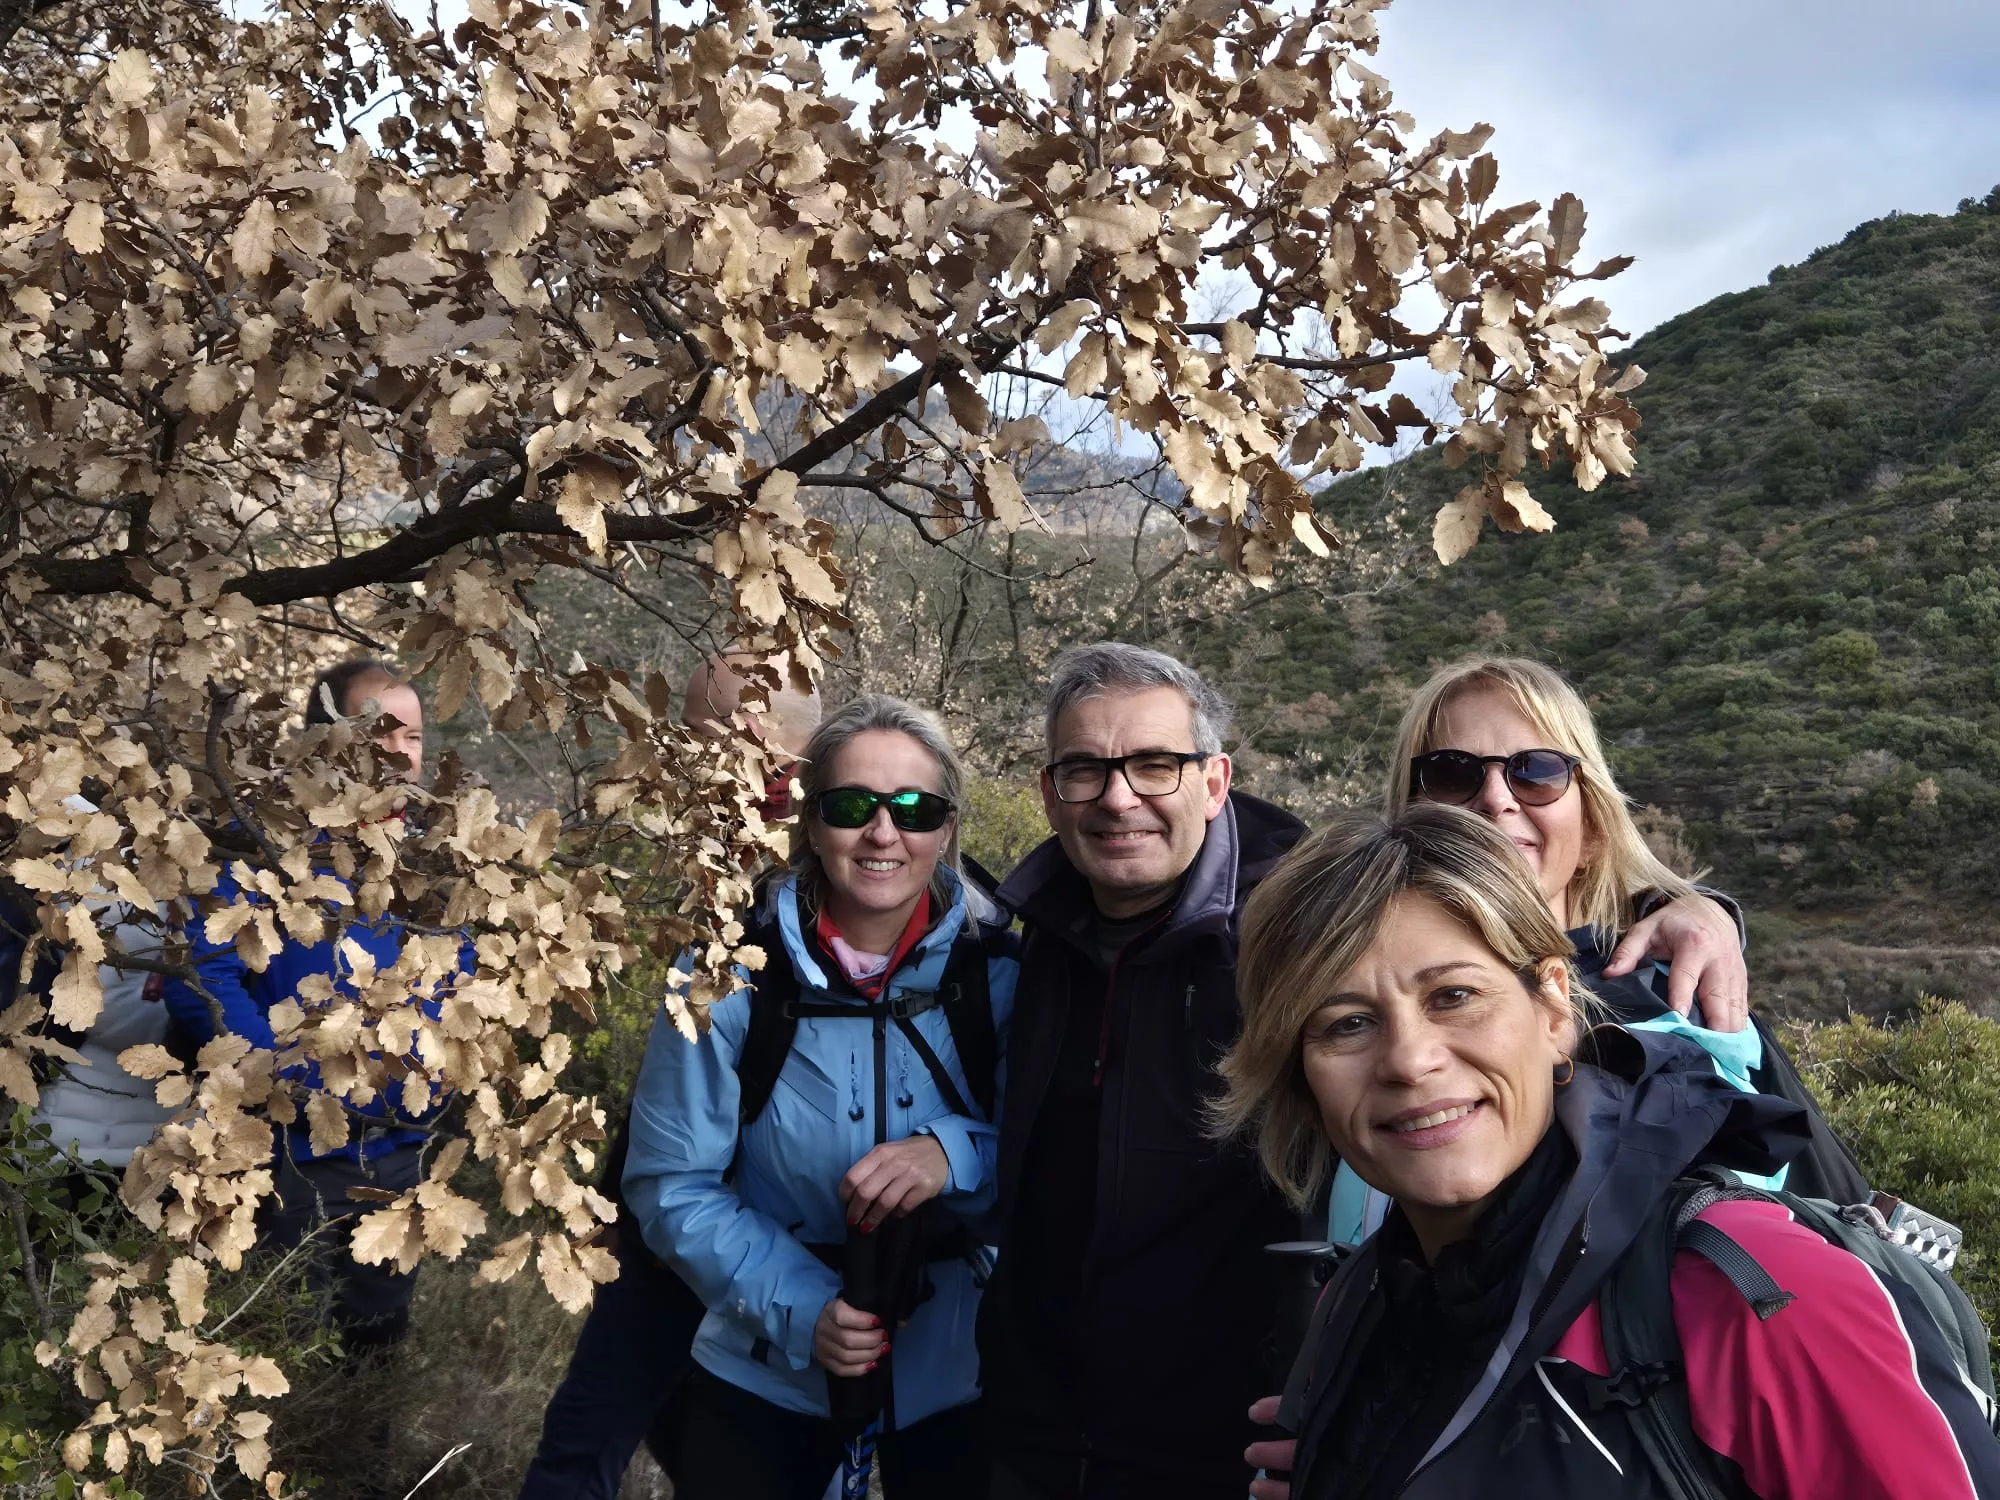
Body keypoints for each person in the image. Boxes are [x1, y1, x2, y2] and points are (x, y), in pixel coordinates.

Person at [1215, 804, 2000, 1499]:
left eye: (1454, 996)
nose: (1409, 1059)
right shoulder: (1360, 1305)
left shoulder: (1756, 1294)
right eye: (1346, 1022)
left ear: (1555, 1006)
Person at [622, 694, 1016, 1500]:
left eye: (914, 808)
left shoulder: (1003, 977)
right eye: (850, 806)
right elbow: (669, 1184)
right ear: (809, 820)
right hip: (764, 1374)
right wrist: (807, 1313)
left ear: (946, 829)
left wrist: (956, 1153)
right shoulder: (725, 975)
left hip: (959, 1372)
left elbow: (1054, 1157)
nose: (883, 832)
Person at [980, 642, 1308, 1500]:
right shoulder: (1038, 933)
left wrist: (1684, 910)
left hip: (1224, 1448)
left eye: (1155, 765)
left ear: (1214, 780)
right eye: (1085, 769)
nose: (1119, 797)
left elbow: (1483, 944)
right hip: (1032, 1430)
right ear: (1050, 794)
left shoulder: (1299, 936)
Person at [1374, 653, 1864, 1212]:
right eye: (1452, 771)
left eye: (1538, 771)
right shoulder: (1335, 1004)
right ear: (1406, 818)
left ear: (1591, 835)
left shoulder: (1668, 1007)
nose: (1496, 798)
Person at [518, 652, 823, 1500]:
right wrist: (623, 1196)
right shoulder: (717, 869)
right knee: (592, 1439)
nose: (678, 764)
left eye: (701, 740)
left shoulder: (833, 882)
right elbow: (678, 1068)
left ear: (765, 749)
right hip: (671, 1223)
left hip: (769, 1236)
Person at [164, 657, 450, 1354]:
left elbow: (457, 977)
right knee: (273, 1344)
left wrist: (415, 1074)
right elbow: (199, 972)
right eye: (377, 731)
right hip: (284, 1152)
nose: (396, 751)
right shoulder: (263, 845)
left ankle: (368, 1466)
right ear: (326, 740)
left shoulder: (434, 866)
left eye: (410, 737)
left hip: (393, 1154)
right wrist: (283, 1074)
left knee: (376, 1352)